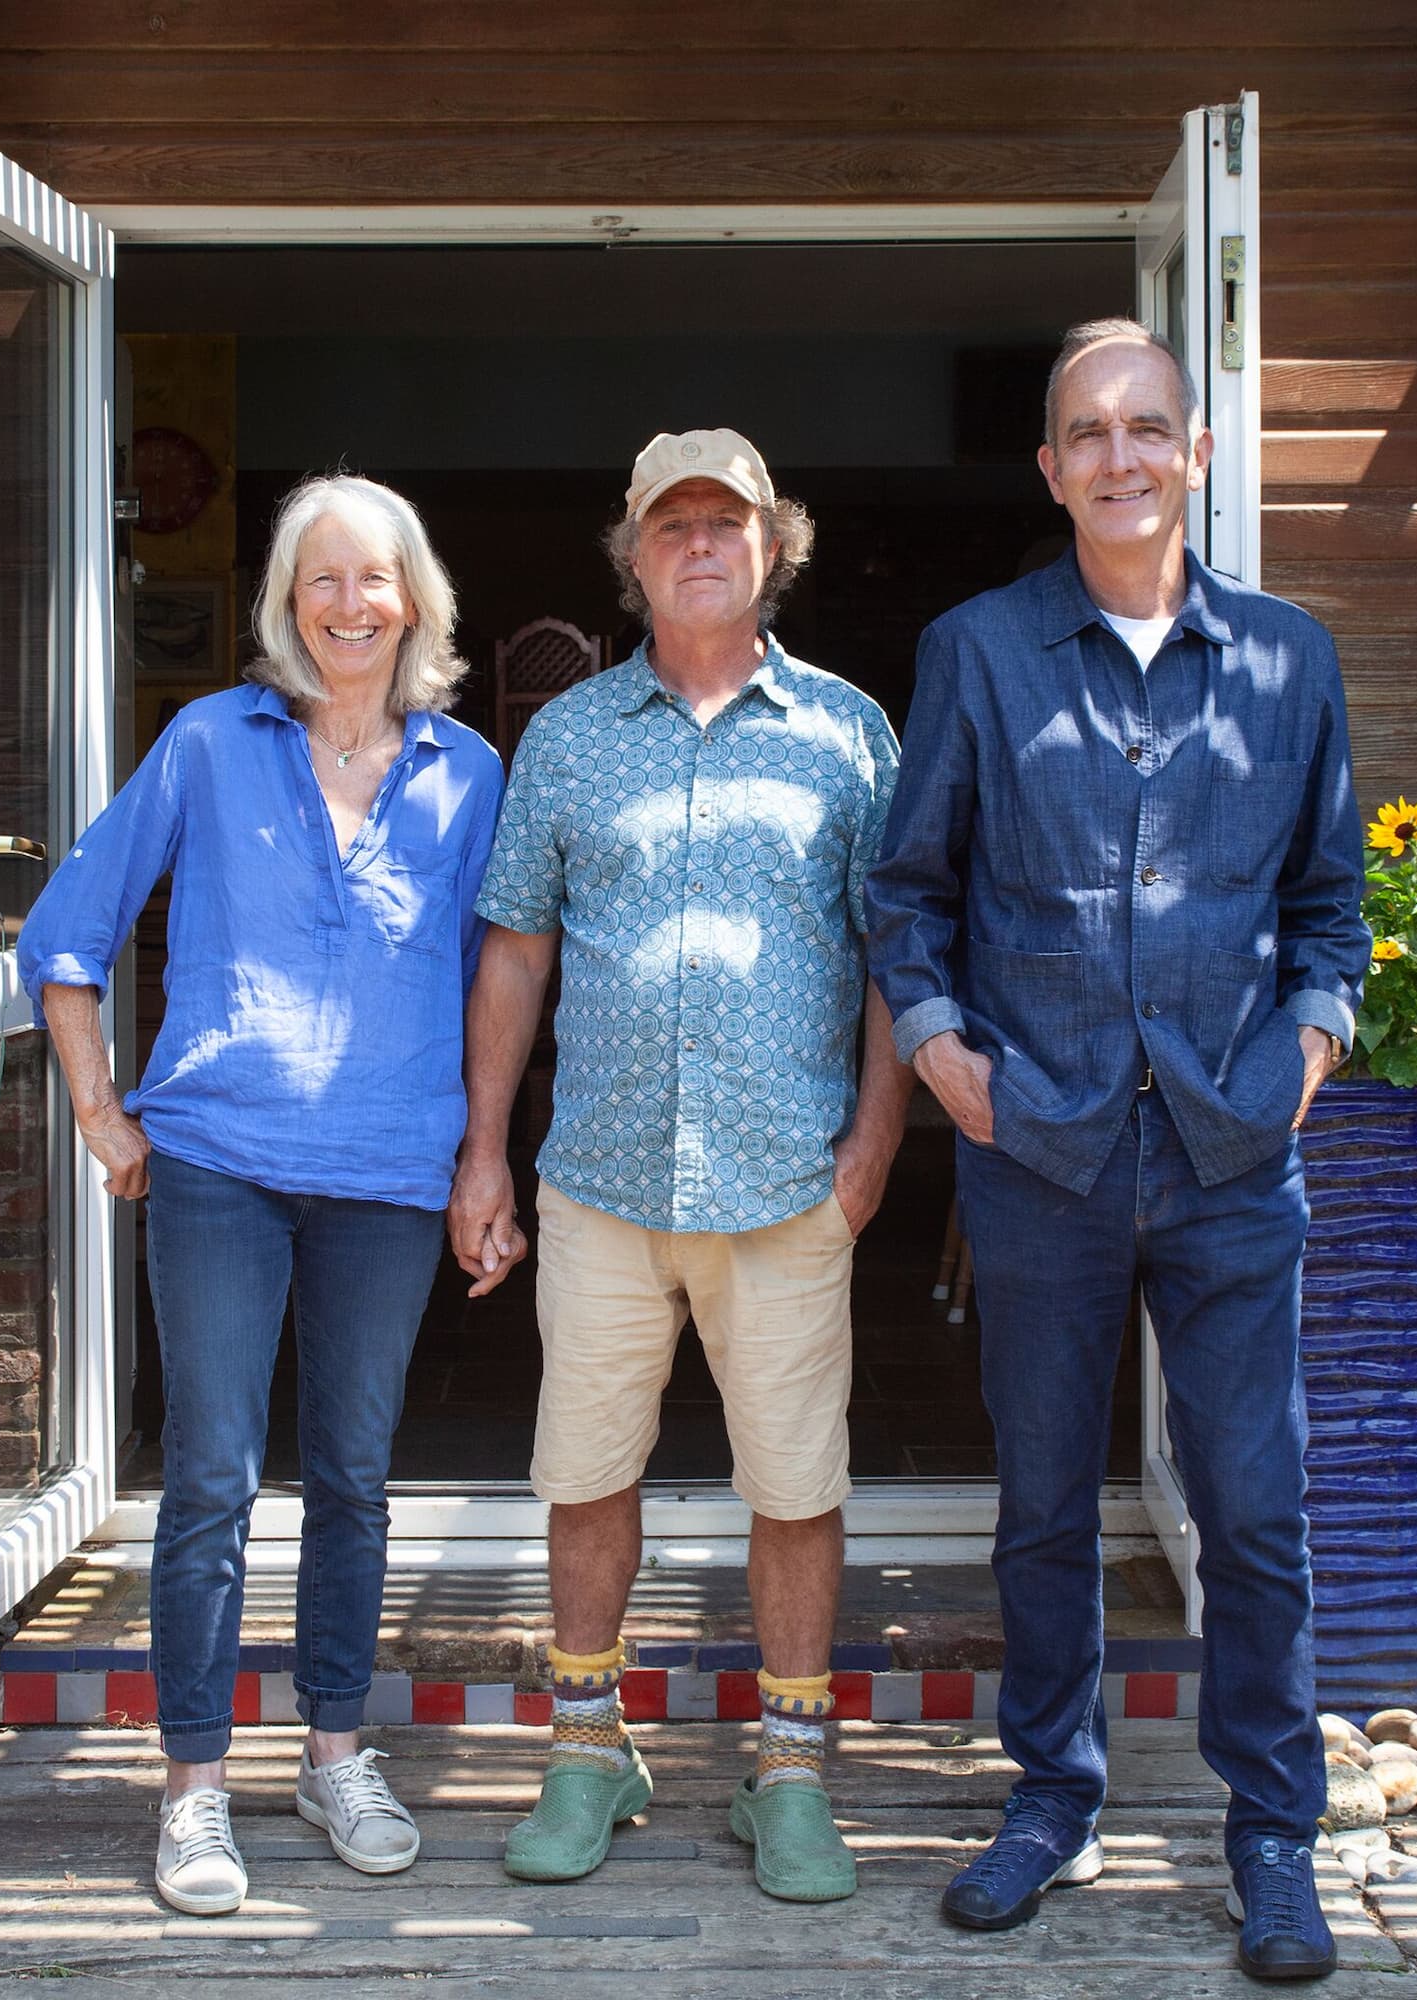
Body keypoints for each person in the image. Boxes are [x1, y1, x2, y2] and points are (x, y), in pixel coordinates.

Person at [865, 319, 1369, 1982]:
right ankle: (1052, 1797)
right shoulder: (980, 651)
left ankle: (1273, 1836)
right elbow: (907, 891)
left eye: (1149, 426)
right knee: (1041, 1506)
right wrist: (944, 1053)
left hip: (1234, 1151)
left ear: (1196, 453)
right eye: (1088, 432)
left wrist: (1309, 1044)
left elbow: (1329, 907)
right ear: (1052, 469)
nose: (1121, 456)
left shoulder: (1291, 660)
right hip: (1044, 1150)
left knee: (1256, 1508)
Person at [16, 474, 503, 1919]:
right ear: (286, 606)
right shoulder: (209, 744)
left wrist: (485, 1157)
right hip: (219, 1165)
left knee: (355, 1477)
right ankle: (193, 1785)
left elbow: (500, 979)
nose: (349, 605)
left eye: (374, 579)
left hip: (387, 1178)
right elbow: (70, 933)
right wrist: (102, 1110)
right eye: (320, 580)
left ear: (415, 599)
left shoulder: (469, 773)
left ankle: (335, 1753)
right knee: (215, 1481)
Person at [448, 428, 909, 1904]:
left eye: (730, 520)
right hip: (598, 1177)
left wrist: (875, 1146)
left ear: (777, 546)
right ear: (632, 554)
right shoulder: (571, 738)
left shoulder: (850, 734)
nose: (701, 542)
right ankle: (589, 1751)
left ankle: (789, 1774)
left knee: (795, 1486)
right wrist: (486, 1154)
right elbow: (515, 951)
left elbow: (902, 959)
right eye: (672, 524)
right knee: (585, 1477)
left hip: (789, 1181)